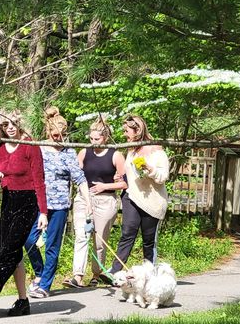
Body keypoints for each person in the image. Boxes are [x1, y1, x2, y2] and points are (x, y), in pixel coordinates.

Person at [0, 109, 48, 320]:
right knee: (6, 250)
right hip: (8, 200)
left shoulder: (30, 145)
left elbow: (39, 179)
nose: (10, 127)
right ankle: (23, 301)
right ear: (0, 128)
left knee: (9, 249)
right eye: (5, 125)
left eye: (13, 123)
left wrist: (43, 212)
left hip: (28, 201)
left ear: (20, 123)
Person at [23, 107, 93, 299]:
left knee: (53, 246)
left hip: (60, 205)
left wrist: (88, 202)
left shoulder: (69, 152)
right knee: (29, 240)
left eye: (62, 135)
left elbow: (80, 178)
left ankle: (45, 286)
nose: (58, 138)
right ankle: (39, 272)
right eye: (55, 135)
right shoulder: (39, 149)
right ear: (48, 132)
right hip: (39, 203)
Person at [63, 116, 127, 288]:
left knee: (99, 240)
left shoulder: (116, 155)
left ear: (105, 137)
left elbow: (124, 183)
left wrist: (105, 185)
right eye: (91, 139)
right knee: (81, 236)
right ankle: (77, 275)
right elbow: (76, 175)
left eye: (97, 139)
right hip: (84, 198)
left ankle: (96, 274)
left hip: (106, 200)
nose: (93, 142)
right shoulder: (84, 152)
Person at [109, 115, 170, 275]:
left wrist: (150, 169)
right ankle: (115, 271)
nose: (124, 134)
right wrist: (121, 177)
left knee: (148, 240)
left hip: (152, 201)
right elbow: (131, 174)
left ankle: (149, 273)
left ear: (138, 131)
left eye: (126, 131)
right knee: (127, 233)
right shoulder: (132, 150)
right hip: (131, 197)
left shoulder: (156, 150)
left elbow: (163, 176)